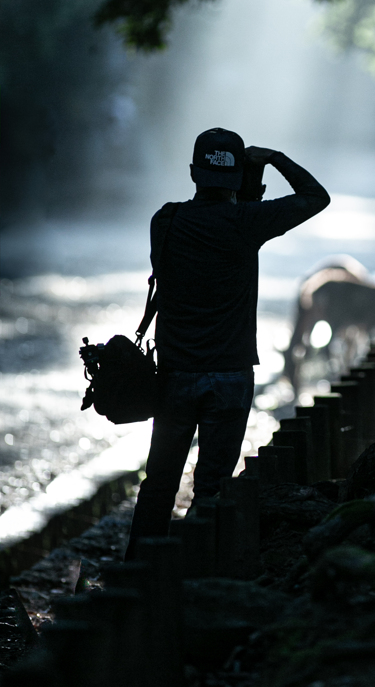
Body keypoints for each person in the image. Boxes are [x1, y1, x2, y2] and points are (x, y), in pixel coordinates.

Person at [125, 127, 330, 558]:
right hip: (231, 377)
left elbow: (215, 223)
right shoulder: (247, 222)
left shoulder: (165, 220)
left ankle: (137, 570)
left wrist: (243, 185)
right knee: (213, 489)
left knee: (160, 483)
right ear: (237, 178)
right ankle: (198, 574)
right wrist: (273, 159)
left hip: (176, 375)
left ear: (193, 173)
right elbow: (316, 196)